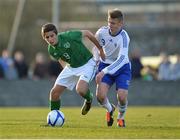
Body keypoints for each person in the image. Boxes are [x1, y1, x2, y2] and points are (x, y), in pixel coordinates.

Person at [41, 23, 105, 115]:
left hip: (88, 64)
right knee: (54, 93)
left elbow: (87, 33)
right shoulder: (51, 50)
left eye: (52, 36)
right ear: (44, 38)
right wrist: (67, 76)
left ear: (56, 34)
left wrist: (100, 49)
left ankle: (89, 99)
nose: (50, 39)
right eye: (47, 37)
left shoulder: (69, 36)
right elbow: (61, 59)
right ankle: (54, 116)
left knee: (81, 90)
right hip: (71, 67)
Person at [94, 9, 131, 127]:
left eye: (113, 23)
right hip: (105, 65)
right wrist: (96, 60)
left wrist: (103, 72)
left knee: (121, 96)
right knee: (100, 97)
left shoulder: (124, 37)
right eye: (109, 22)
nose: (110, 25)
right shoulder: (101, 32)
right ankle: (110, 109)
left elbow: (121, 60)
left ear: (121, 24)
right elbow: (96, 47)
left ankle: (121, 117)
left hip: (122, 68)